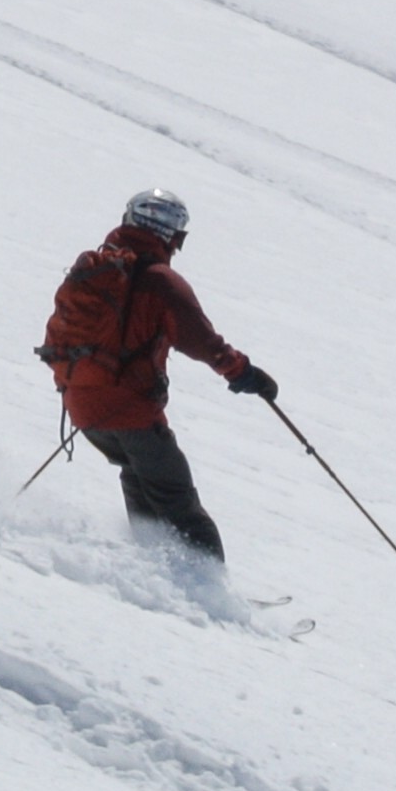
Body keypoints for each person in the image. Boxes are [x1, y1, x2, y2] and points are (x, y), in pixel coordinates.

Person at [37, 189, 275, 562]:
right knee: (177, 498)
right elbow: (200, 340)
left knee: (136, 475)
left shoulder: (95, 270)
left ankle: (155, 569)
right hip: (128, 409)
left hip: (81, 403)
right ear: (174, 236)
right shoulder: (160, 280)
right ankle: (211, 590)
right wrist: (243, 373)